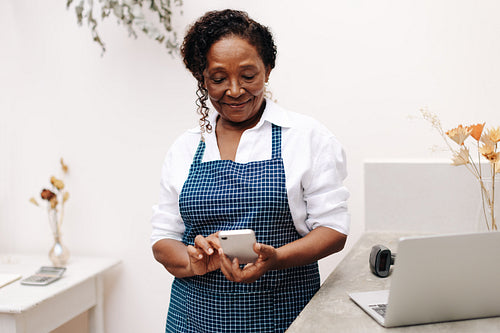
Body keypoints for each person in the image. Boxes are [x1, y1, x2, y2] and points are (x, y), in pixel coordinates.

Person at [151, 9, 350, 333]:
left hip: (283, 317)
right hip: (193, 321)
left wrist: (278, 258)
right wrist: (193, 262)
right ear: (202, 77)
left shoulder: (305, 137)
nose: (234, 90)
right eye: (218, 78)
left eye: (248, 76)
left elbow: (333, 230)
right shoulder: (185, 149)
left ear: (267, 70)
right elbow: (163, 237)